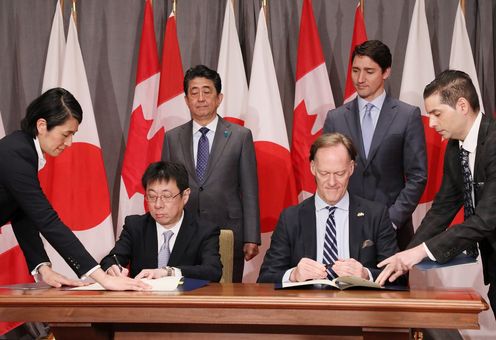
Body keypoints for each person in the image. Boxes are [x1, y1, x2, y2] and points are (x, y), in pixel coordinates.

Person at [0, 88, 148, 291]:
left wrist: (43, 268)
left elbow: (22, 213)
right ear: (42, 125)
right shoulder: (16, 153)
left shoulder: (22, 149)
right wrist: (102, 278)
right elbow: (46, 220)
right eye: (66, 134)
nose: (69, 143)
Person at [376, 70, 496, 315]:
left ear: (462, 105)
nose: (431, 123)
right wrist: (407, 256)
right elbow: (442, 209)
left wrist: (421, 252)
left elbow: (486, 219)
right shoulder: (455, 147)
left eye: (437, 114)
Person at [323, 40, 427, 250]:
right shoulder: (336, 118)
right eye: (355, 70)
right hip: (344, 227)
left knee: (391, 284)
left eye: (369, 71)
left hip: (393, 232)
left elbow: (418, 176)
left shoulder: (407, 116)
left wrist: (393, 219)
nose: (360, 79)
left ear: (386, 72)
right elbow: (324, 171)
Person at [162, 64, 260, 282]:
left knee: (227, 292)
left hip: (228, 230)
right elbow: (165, 188)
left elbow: (250, 189)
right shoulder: (172, 137)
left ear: (219, 97)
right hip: (183, 230)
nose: (200, 98)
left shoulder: (240, 136)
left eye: (207, 91)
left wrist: (251, 236)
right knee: (182, 288)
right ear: (186, 99)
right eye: (194, 92)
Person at [258, 133, 399, 283]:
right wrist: (293, 275)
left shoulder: (376, 215)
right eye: (324, 173)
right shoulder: (291, 218)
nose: (332, 182)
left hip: (357, 303)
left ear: (351, 168)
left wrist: (366, 275)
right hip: (308, 304)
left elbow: (399, 278)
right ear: (313, 168)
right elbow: (265, 278)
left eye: (339, 173)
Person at [101, 161, 222, 282]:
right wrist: (112, 268)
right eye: (152, 197)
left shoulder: (204, 230)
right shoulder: (135, 226)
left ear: (185, 196)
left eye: (167, 196)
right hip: (143, 298)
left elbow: (213, 270)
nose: (158, 205)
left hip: (184, 298)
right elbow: (111, 260)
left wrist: (168, 272)